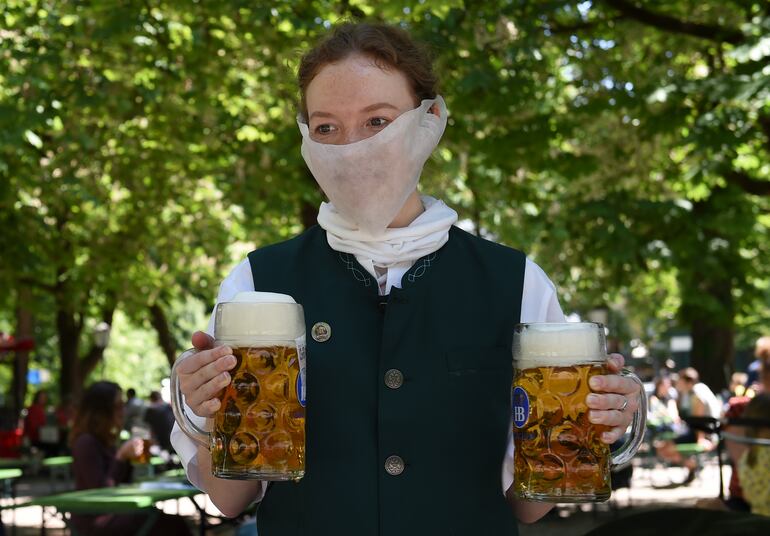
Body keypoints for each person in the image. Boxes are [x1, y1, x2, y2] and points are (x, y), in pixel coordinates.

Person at [170, 22, 642, 534]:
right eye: (326, 127)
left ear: (429, 119)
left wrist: (606, 423)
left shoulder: (517, 282)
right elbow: (231, 500)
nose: (351, 147)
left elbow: (529, 504)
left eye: (377, 121)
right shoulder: (257, 284)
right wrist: (203, 416)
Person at [69, 381, 192, 536]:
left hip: (113, 513)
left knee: (168, 522)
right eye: (118, 406)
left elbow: (122, 485)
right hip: (94, 520)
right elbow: (102, 491)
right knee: (168, 525)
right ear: (101, 411)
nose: (123, 410)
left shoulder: (105, 440)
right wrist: (121, 457)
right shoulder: (85, 442)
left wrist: (129, 459)